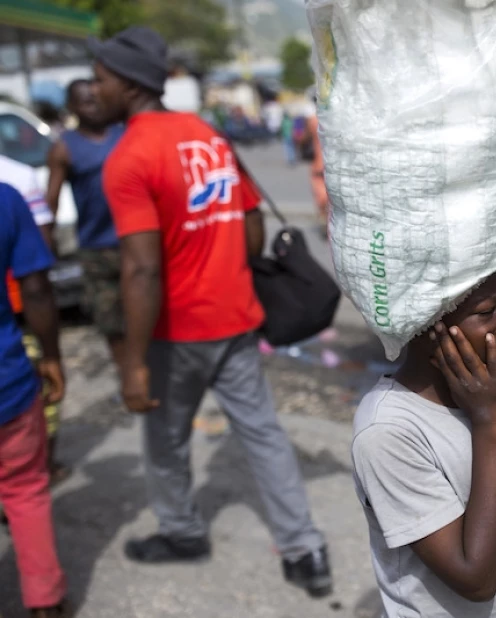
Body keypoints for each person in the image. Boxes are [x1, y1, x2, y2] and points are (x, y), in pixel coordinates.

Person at [89, 26, 333, 597]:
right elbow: (251, 223)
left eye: (100, 80)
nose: (94, 90)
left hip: (176, 331)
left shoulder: (129, 157)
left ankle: (182, 533)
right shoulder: (207, 134)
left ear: (129, 84)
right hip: (238, 318)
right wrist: (221, 265)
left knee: (165, 440)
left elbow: (141, 270)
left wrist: (133, 362)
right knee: (264, 434)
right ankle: (306, 551)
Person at [351, 262, 496, 618]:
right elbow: (476, 581)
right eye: (487, 311)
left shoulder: (492, 378)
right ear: (423, 323)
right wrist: (490, 422)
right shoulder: (388, 433)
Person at [0, 181, 68, 618]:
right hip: (7, 381)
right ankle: (45, 602)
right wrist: (52, 356)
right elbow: (38, 288)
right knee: (25, 489)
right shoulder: (6, 199)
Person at [46, 79, 126, 366]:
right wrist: (48, 244)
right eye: (85, 102)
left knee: (148, 313)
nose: (93, 107)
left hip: (135, 242)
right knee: (111, 322)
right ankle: (127, 375)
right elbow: (52, 200)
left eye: (96, 100)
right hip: (96, 249)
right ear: (72, 107)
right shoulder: (64, 148)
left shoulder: (124, 134)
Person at [0, 154, 65, 480]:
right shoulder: (17, 178)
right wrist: (53, 355)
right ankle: (42, 465)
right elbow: (41, 254)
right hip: (19, 314)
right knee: (35, 396)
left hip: (17, 310)